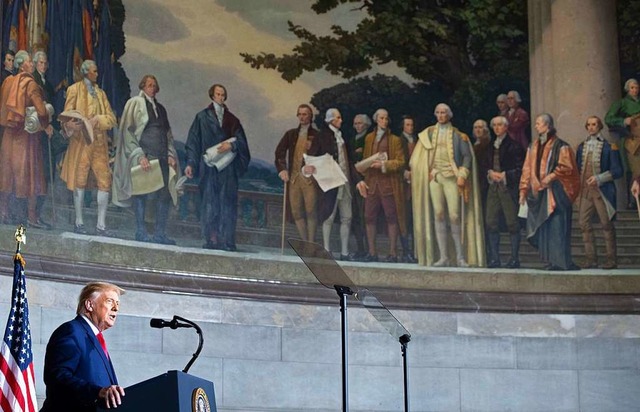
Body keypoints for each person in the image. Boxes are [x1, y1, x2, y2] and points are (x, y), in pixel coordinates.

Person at [408, 103, 485, 267]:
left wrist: (462, 175)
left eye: (444, 113)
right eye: (438, 112)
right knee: (438, 214)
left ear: (449, 115)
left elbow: (467, 157)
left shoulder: (459, 136)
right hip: (435, 178)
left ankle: (460, 257)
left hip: (452, 177)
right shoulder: (428, 133)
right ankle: (443, 256)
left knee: (455, 216)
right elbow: (418, 159)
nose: (441, 115)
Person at [113, 74, 179, 244]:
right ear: (142, 86)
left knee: (164, 196)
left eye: (154, 85)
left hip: (162, 158)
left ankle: (159, 234)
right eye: (149, 85)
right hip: (145, 157)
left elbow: (168, 135)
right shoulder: (135, 103)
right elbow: (128, 132)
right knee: (141, 194)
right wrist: (139, 155)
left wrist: (171, 154)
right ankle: (141, 231)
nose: (152, 88)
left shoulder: (161, 108)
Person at [185, 83, 251, 251]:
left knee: (227, 204)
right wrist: (191, 163)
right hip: (209, 168)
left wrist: (232, 146)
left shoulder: (233, 120)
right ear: (212, 96)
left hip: (227, 168)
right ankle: (211, 238)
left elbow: (242, 142)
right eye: (218, 94)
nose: (221, 97)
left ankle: (227, 240)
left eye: (223, 94)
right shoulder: (201, 117)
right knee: (210, 203)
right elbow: (193, 142)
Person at [41, 282, 125, 411]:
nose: (116, 308)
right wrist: (97, 392)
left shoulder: (94, 338)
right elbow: (58, 376)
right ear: (90, 305)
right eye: (110, 301)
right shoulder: (71, 331)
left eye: (117, 303)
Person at [60, 60, 118, 236]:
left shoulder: (101, 94)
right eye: (94, 71)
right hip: (81, 142)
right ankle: (79, 222)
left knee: (104, 182)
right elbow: (66, 116)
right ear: (86, 73)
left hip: (99, 143)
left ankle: (101, 225)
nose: (97, 74)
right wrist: (75, 125)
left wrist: (97, 120)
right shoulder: (74, 89)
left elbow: (111, 118)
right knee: (79, 179)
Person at [519, 113, 580, 270]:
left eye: (538, 123)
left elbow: (567, 167)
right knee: (545, 228)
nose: (536, 126)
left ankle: (561, 262)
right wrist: (523, 190)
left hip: (557, 193)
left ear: (548, 126)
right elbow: (527, 169)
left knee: (558, 226)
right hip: (539, 194)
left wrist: (550, 177)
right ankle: (550, 261)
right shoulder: (533, 146)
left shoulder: (561, 146)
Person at [0, 50, 52, 227]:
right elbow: (42, 111)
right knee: (32, 175)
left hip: (8, 136)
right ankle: (32, 217)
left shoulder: (7, 82)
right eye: (30, 61)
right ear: (23, 65)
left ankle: (4, 213)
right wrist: (46, 124)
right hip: (26, 137)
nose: (32, 64)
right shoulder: (30, 84)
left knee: (7, 174)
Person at [356, 108, 406, 262]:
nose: (384, 121)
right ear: (376, 120)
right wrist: (364, 174)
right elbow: (365, 160)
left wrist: (383, 165)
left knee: (391, 217)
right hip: (372, 184)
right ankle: (372, 252)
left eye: (386, 118)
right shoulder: (369, 138)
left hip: (388, 185)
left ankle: (393, 253)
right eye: (382, 118)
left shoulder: (395, 140)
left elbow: (400, 162)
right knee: (369, 217)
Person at [313, 108, 362, 260]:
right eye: (338, 118)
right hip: (331, 182)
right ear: (331, 120)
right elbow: (313, 158)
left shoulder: (343, 137)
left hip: (345, 181)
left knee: (347, 217)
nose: (341, 120)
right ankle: (326, 251)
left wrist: (358, 180)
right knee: (329, 216)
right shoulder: (321, 136)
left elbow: (350, 162)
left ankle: (344, 252)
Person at [576, 116, 623, 269]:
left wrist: (599, 178)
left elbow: (617, 171)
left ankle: (611, 259)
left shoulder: (610, 147)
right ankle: (591, 258)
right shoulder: (581, 147)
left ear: (599, 126)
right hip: (585, 192)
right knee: (583, 223)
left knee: (606, 225)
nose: (591, 127)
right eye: (588, 124)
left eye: (594, 124)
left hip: (602, 192)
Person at [274, 104, 320, 242]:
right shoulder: (291, 134)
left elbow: (324, 156)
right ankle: (305, 242)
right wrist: (282, 169)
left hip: (309, 180)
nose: (302, 117)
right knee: (296, 212)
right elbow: (279, 153)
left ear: (310, 116)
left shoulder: (317, 135)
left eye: (305, 114)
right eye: (299, 114)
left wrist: (315, 166)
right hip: (294, 179)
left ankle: (311, 243)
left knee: (311, 211)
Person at [485, 116, 525, 268]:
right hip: (493, 188)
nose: (496, 128)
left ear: (506, 127)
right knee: (491, 222)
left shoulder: (514, 146)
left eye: (500, 125)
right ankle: (495, 259)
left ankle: (514, 258)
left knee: (512, 223)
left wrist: (505, 175)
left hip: (508, 188)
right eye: (494, 125)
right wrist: (489, 173)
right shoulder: (490, 146)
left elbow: (521, 169)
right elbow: (485, 166)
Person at [606, 79, 640, 209]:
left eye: (636, 88)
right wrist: (623, 121)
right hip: (631, 141)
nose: (635, 90)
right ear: (628, 89)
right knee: (634, 170)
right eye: (632, 88)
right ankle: (632, 201)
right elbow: (609, 119)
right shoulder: (621, 103)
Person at [348, 113, 372, 260]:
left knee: (366, 216)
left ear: (366, 125)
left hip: (367, 181)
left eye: (360, 123)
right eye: (355, 123)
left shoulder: (369, 139)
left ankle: (369, 250)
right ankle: (360, 249)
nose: (357, 126)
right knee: (355, 216)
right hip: (353, 181)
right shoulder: (351, 140)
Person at [398, 115, 418, 263]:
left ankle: (415, 251)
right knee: (404, 218)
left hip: (417, 183)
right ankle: (406, 251)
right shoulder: (399, 140)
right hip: (403, 184)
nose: (410, 127)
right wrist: (404, 172)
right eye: (407, 125)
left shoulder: (417, 140)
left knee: (414, 218)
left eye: (411, 125)